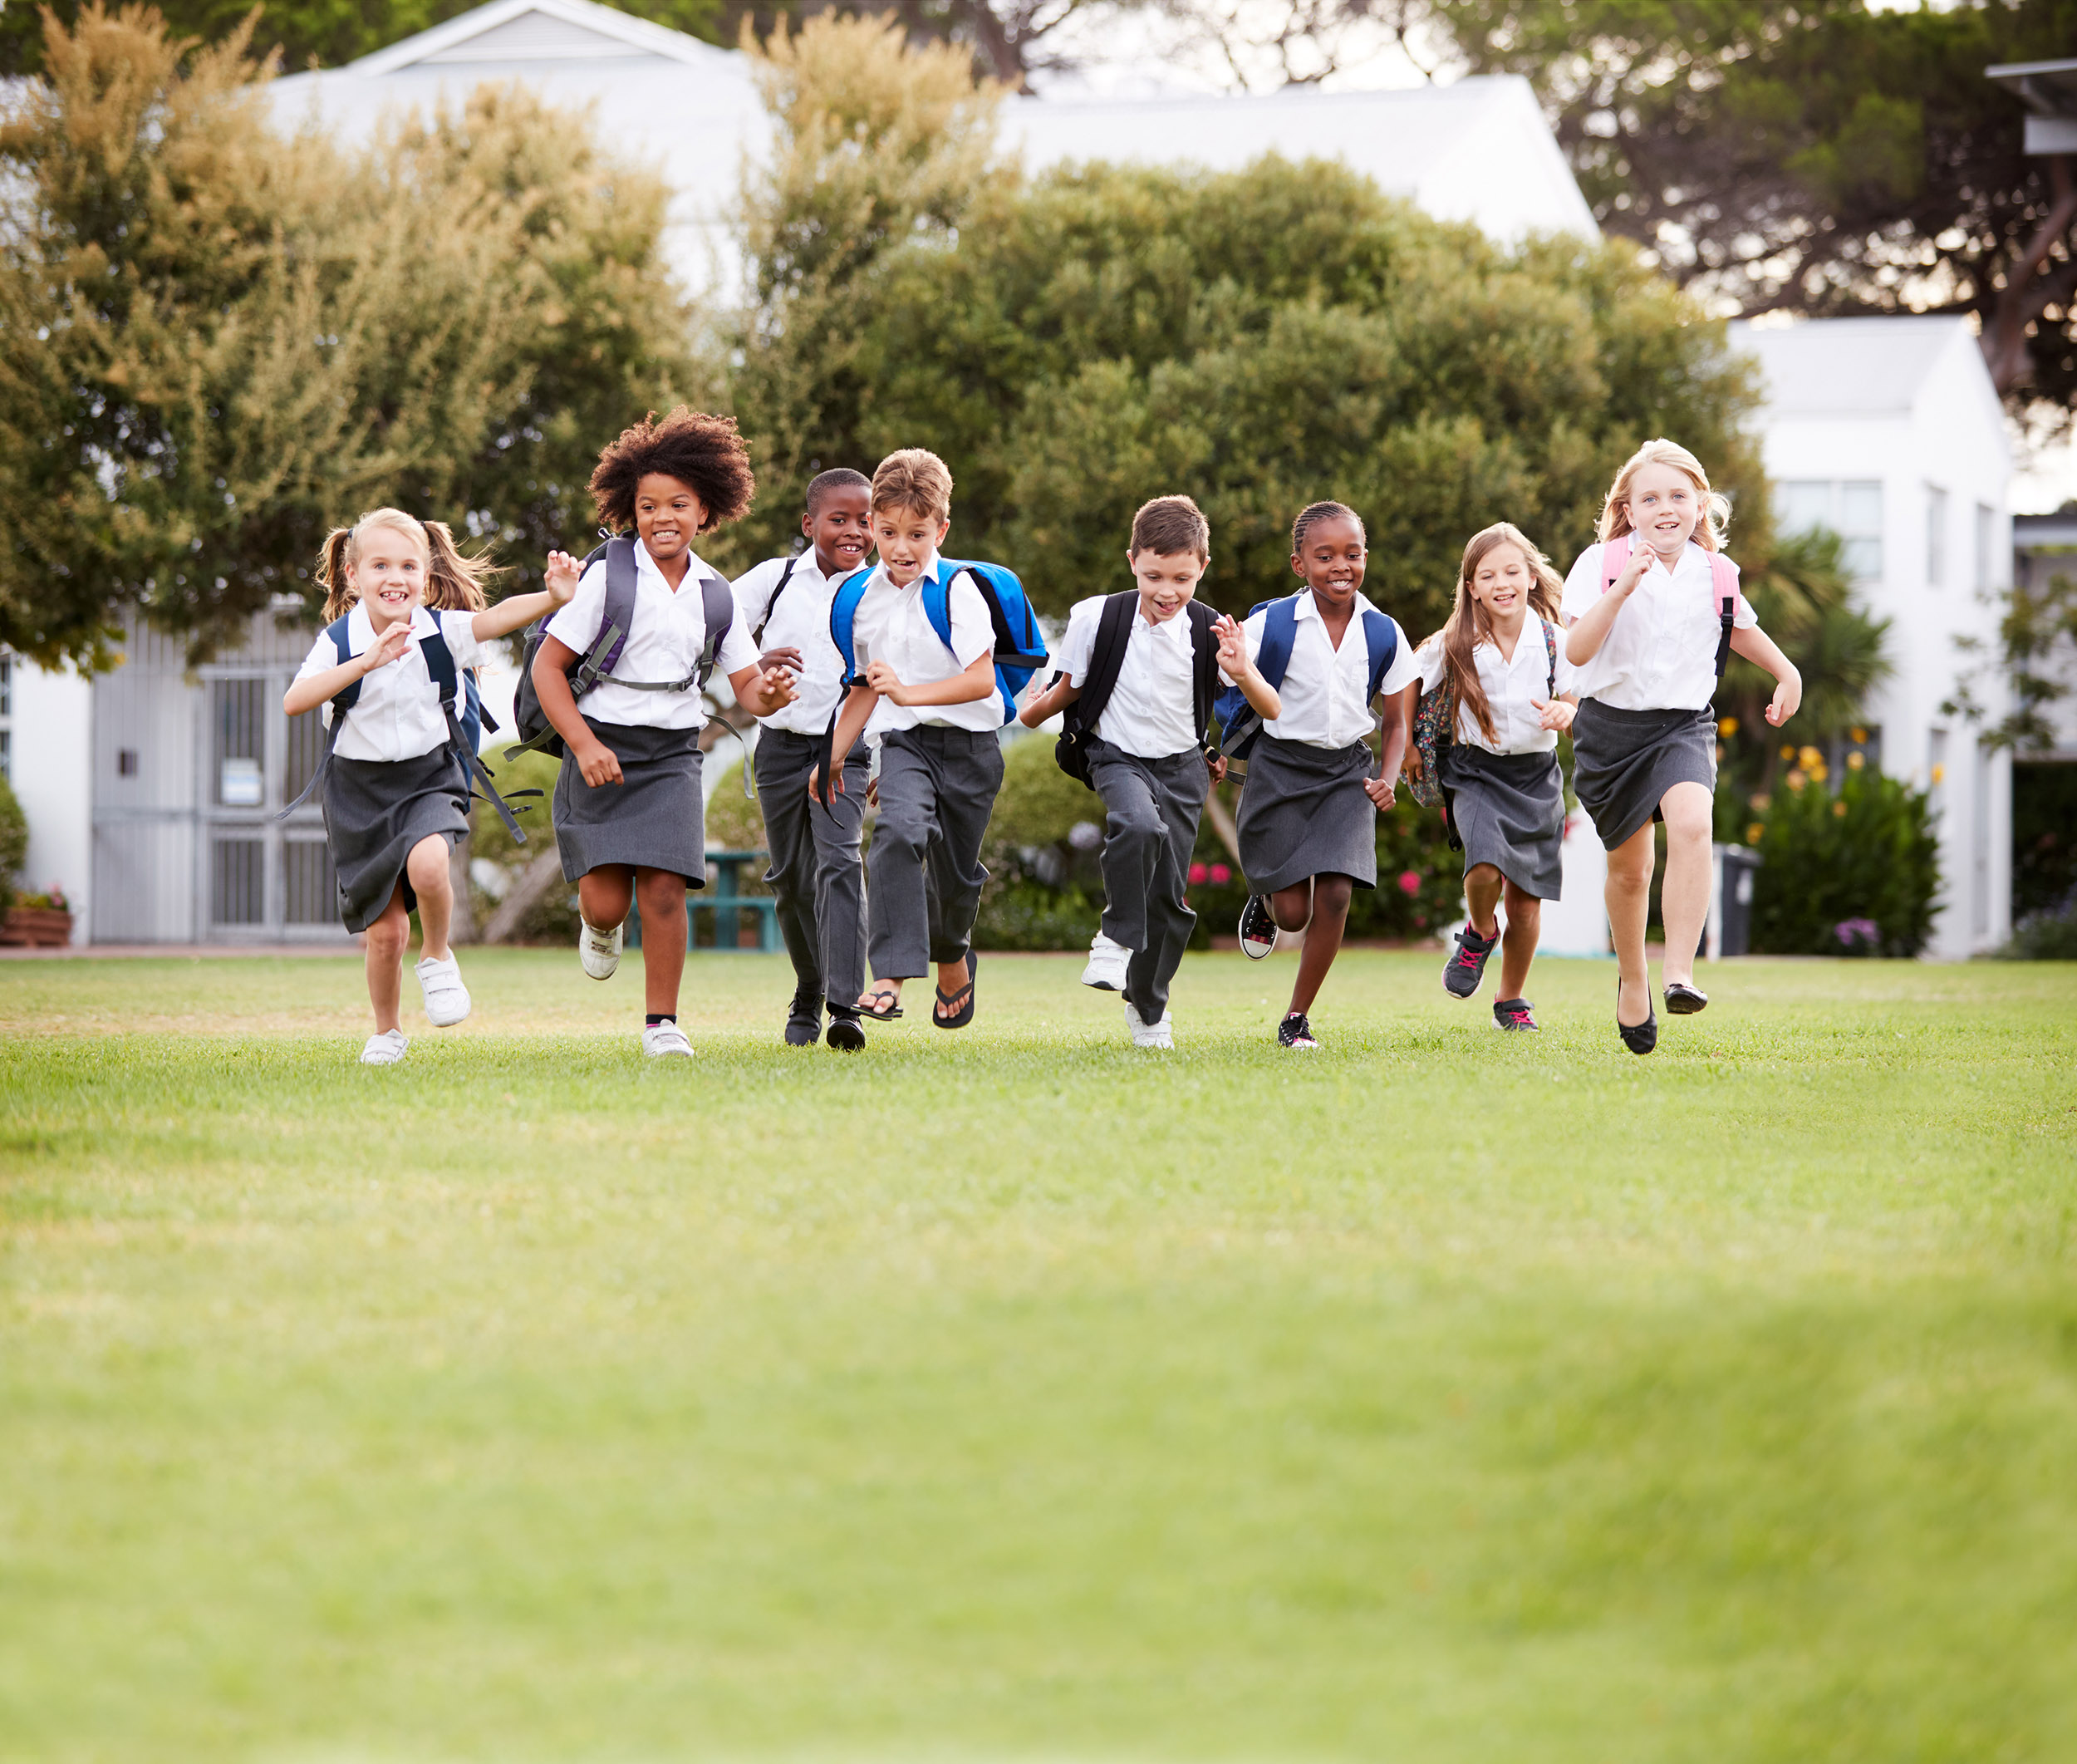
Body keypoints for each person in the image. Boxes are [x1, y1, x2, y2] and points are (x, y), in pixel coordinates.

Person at [530, 409, 799, 1059]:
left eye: (678, 504)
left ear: (705, 510)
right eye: (648, 506)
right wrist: (584, 744)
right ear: (632, 510)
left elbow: (747, 687)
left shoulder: (717, 593)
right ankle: (600, 928)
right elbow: (546, 668)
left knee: (665, 888)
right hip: (601, 746)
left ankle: (662, 1024)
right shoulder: (608, 576)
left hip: (673, 753)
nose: (663, 517)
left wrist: (770, 693)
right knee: (605, 903)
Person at [282, 508, 575, 1065]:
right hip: (358, 792)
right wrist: (366, 662)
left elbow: (497, 619)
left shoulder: (441, 631)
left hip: (429, 777)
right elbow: (295, 700)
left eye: (408, 566)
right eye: (380, 566)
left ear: (425, 574)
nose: (395, 578)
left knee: (429, 865)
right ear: (353, 574)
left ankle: (437, 956)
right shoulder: (338, 642)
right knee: (387, 932)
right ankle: (387, 1032)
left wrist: (553, 597)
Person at [1562, 437, 1802, 1054]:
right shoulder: (1600, 562)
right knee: (1631, 872)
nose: (1665, 508)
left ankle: (1679, 973)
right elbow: (1578, 651)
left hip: (1683, 725)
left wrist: (1788, 673)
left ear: (1700, 504)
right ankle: (1633, 978)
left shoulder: (1717, 572)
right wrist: (1622, 588)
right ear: (1629, 509)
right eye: (1650, 498)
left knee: (1694, 824)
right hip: (1610, 730)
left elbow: (1740, 628)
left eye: (1678, 496)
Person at [1019, 495, 1280, 1047]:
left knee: (1169, 900)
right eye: (1154, 575)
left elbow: (1271, 707)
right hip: (1115, 755)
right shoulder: (1096, 617)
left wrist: (1241, 669)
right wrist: (1030, 713)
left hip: (1183, 768)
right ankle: (1113, 938)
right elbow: (1069, 690)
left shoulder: (1212, 630)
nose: (1167, 591)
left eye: (1182, 578)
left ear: (1202, 567)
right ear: (1132, 560)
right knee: (1137, 825)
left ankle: (1148, 1007)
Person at [815, 449, 1016, 1030]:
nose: (901, 548)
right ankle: (890, 976)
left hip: (973, 749)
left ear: (941, 530)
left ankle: (953, 954)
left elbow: (981, 680)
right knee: (898, 834)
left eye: (917, 534)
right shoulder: (860, 599)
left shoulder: (958, 591)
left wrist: (908, 693)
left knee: (956, 876)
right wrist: (831, 756)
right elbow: (864, 687)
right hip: (906, 745)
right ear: (873, 525)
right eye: (888, 532)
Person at [1230, 500, 1421, 1050]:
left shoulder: (1383, 632)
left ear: (1365, 558)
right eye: (1325, 556)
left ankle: (1296, 1017)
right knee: (1293, 915)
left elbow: (1396, 723)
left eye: (1352, 554)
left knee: (1336, 893)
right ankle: (1267, 900)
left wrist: (1388, 777)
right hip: (1280, 768)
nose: (1341, 566)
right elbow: (1225, 681)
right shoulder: (1270, 624)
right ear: (1300, 564)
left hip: (1346, 774)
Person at [1412, 523, 1578, 1031]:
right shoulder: (1453, 644)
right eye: (1488, 576)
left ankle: (1511, 1000)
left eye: (1511, 572)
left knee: (1525, 906)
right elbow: (1405, 684)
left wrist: (1566, 712)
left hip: (1537, 778)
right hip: (1475, 771)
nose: (1501, 583)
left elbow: (1577, 700)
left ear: (1531, 577)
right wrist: (1407, 748)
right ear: (1472, 588)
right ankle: (1481, 931)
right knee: (1483, 867)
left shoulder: (1556, 641)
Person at [732, 468, 876, 1051]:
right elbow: (715, 628)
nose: (854, 531)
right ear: (809, 523)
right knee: (791, 881)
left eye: (865, 520)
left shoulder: (881, 590)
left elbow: (888, 681)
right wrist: (755, 661)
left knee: (840, 865)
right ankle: (810, 988)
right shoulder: (776, 578)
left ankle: (846, 1006)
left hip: (846, 750)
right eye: (839, 519)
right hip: (778, 749)